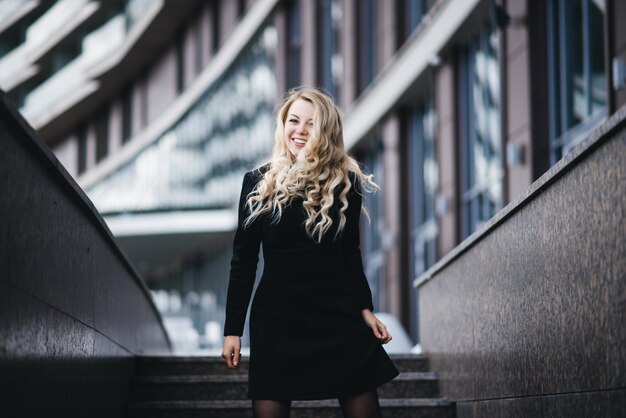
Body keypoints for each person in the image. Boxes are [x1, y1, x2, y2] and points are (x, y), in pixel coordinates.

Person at [221, 87, 399, 418]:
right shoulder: (258, 183)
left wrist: (364, 308)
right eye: (293, 121)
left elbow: (350, 254)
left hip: (338, 317)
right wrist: (233, 329)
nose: (300, 131)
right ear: (282, 124)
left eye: (311, 124)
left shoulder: (346, 181)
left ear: (326, 131)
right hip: (277, 320)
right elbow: (243, 261)